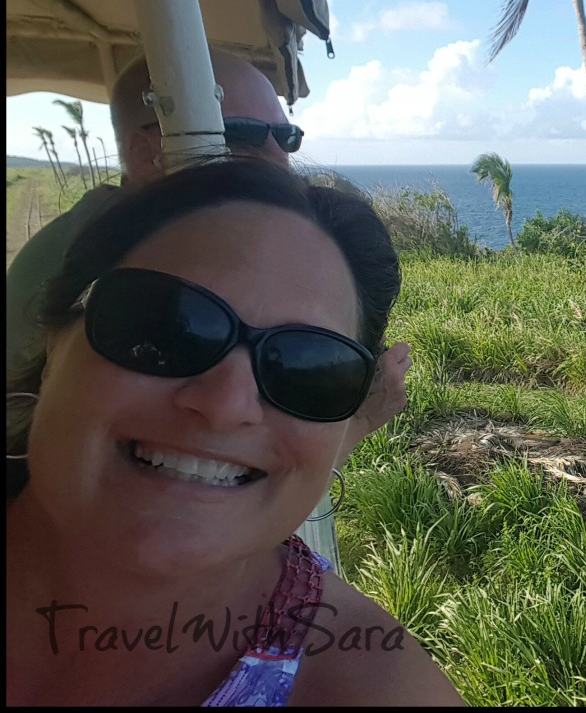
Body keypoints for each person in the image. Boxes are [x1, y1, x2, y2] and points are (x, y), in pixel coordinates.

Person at [6, 158, 464, 707]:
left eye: (308, 367)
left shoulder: (375, 687)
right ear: (55, 341)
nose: (225, 406)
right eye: (164, 328)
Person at [7, 48, 410, 450]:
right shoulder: (126, 259)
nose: (278, 160)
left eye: (286, 138)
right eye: (239, 137)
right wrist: (359, 422)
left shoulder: (131, 225)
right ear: (148, 153)